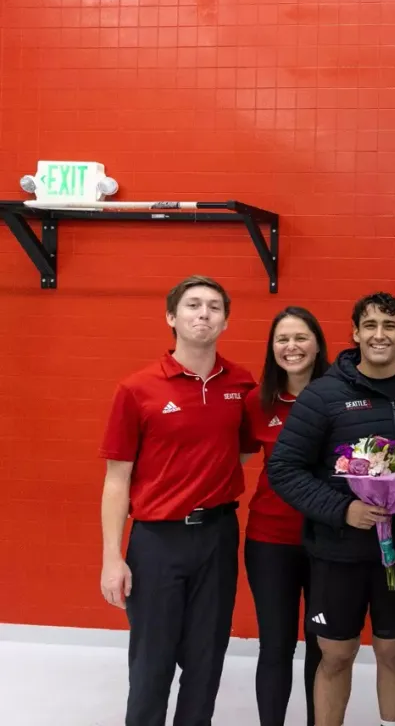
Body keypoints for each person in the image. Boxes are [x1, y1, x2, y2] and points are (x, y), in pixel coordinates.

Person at [267, 292, 395, 726]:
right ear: (355, 333)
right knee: (336, 655)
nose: (380, 335)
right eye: (371, 326)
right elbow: (284, 469)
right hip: (337, 553)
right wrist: (344, 510)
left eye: (390, 326)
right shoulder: (323, 396)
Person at [98, 275, 257, 726]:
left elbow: (243, 449)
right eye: (192, 305)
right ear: (172, 317)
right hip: (157, 542)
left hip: (219, 537)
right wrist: (113, 557)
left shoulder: (241, 384)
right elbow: (116, 480)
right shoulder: (137, 389)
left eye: (213, 307)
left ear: (225, 320)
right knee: (153, 663)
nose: (203, 313)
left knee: (206, 662)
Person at [243, 306, 331, 726]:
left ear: (317, 345)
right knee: (275, 645)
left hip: (328, 540)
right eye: (282, 339)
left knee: (322, 645)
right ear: (271, 348)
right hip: (270, 540)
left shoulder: (338, 396)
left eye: (300, 338)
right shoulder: (256, 402)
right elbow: (239, 455)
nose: (291, 347)